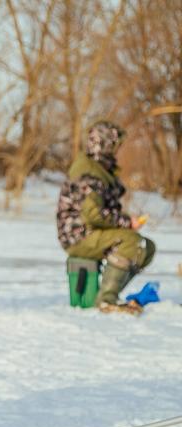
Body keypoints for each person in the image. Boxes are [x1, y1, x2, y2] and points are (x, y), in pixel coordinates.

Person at [56, 120, 155, 314]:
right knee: (132, 242)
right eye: (115, 145)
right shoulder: (89, 172)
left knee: (147, 248)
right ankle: (105, 301)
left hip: (91, 232)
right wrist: (127, 222)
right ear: (105, 144)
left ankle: (108, 295)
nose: (117, 150)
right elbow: (92, 214)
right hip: (79, 235)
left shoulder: (100, 168)